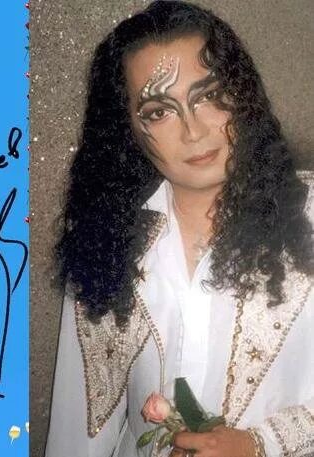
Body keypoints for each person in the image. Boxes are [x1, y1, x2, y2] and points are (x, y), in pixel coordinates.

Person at [45, 1, 314, 456]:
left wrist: (261, 444)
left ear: (242, 95)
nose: (193, 130)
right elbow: (80, 430)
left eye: (210, 94)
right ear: (127, 127)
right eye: (158, 111)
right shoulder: (106, 240)